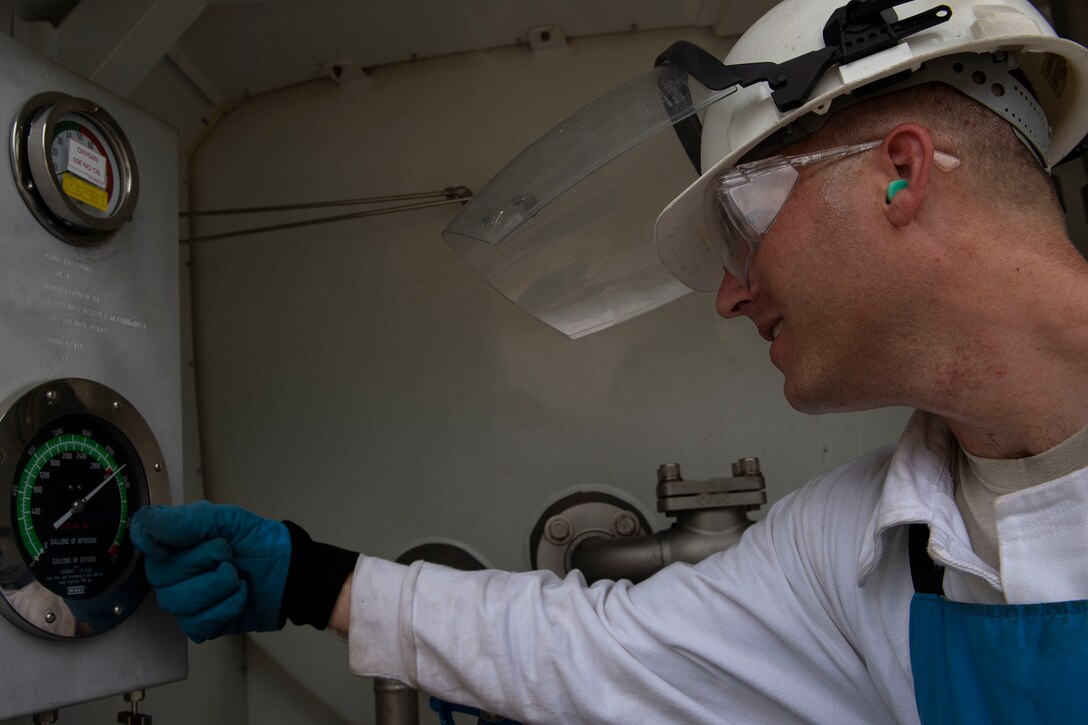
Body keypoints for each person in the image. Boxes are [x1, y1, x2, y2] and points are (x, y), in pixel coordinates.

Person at [131, 0, 1088, 722]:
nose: (729, 293)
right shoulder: (862, 546)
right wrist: (310, 579)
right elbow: (596, 648)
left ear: (901, 172)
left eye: (740, 225)